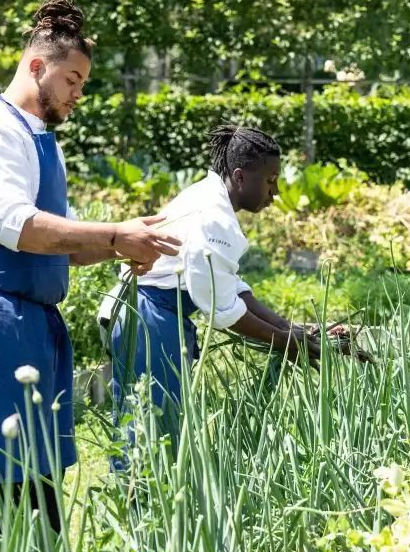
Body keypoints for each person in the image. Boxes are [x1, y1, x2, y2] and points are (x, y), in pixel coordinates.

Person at [0, 0, 180, 534]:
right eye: (72, 80)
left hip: (31, 321)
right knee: (2, 479)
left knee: (41, 475)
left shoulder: (39, 140)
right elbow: (24, 229)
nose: (78, 94)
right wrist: (117, 235)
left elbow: (67, 243)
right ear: (36, 67)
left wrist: (128, 242)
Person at [100, 125, 371, 449]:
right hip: (150, 319)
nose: (276, 192)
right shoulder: (215, 218)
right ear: (241, 177)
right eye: (270, 181)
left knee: (151, 429)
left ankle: (143, 498)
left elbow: (229, 287)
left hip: (151, 313)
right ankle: (139, 501)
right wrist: (286, 341)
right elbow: (221, 308)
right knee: (148, 437)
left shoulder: (210, 200)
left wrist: (289, 327)